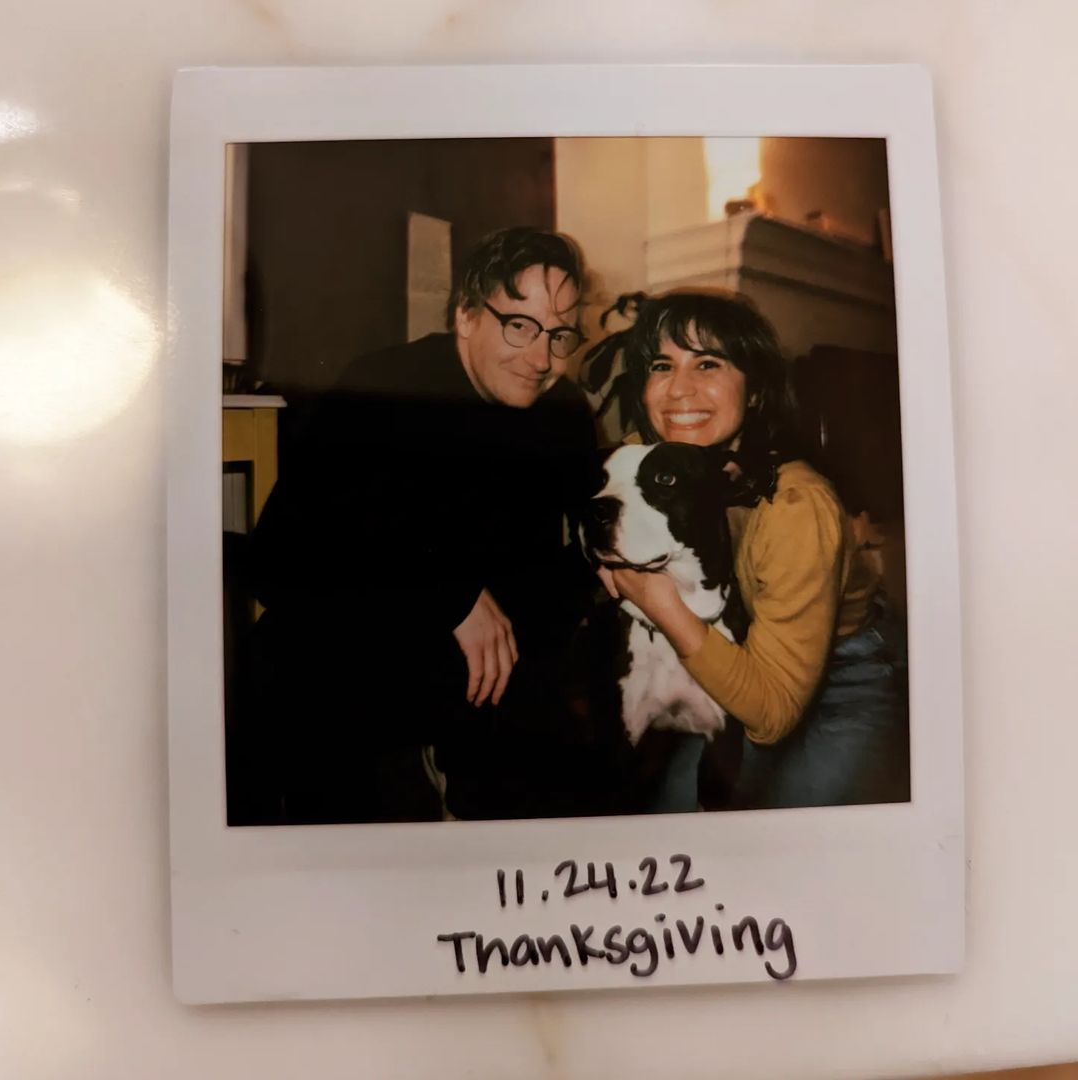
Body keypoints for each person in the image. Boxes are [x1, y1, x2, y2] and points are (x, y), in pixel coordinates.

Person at [229, 226, 600, 824]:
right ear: (466, 317)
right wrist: (447, 594)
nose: (541, 359)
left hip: (487, 673)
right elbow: (280, 561)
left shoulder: (565, 412)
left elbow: (579, 557)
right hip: (359, 653)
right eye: (519, 325)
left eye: (560, 335)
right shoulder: (383, 388)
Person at [597, 291, 908, 811]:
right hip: (736, 652)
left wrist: (659, 602)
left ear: (757, 390)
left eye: (708, 364)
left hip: (848, 676)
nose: (679, 390)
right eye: (662, 366)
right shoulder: (646, 461)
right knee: (676, 815)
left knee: (791, 839)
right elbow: (599, 510)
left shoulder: (795, 506)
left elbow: (771, 712)